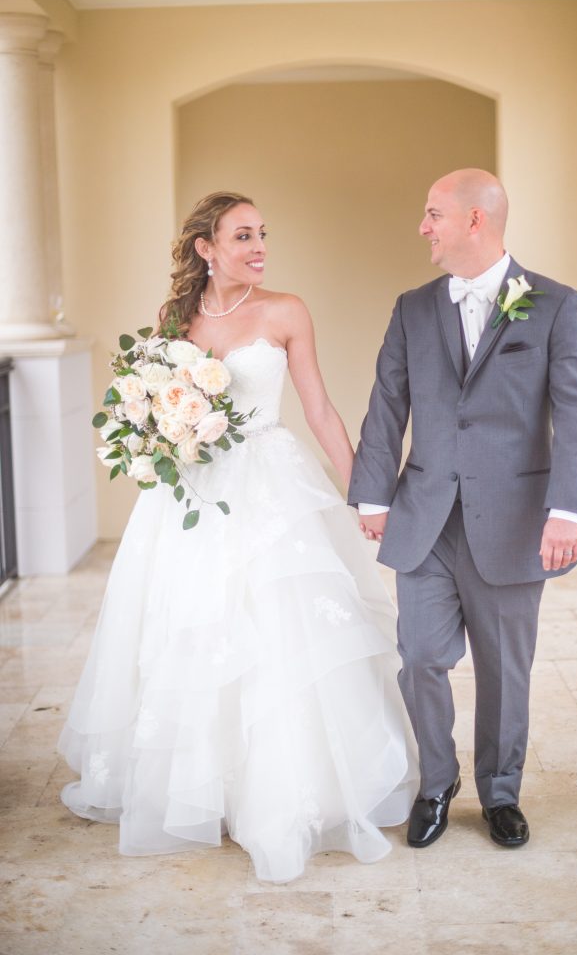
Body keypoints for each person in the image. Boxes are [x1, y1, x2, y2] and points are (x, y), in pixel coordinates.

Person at [59, 191, 418, 884]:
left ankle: (286, 790)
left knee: (280, 630)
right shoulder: (173, 321)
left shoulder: (286, 311)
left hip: (271, 485)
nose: (258, 247)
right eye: (243, 235)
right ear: (206, 248)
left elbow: (317, 408)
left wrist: (365, 495)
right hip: (189, 496)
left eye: (262, 235)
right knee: (189, 630)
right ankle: (204, 788)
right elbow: (156, 410)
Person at [349, 169, 577, 849]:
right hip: (425, 516)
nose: (423, 226)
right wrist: (373, 494)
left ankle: (499, 791)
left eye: (434, 213)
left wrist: (568, 511)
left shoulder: (554, 305)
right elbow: (386, 405)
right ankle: (436, 783)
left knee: (503, 667)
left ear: (474, 222)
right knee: (421, 656)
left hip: (516, 521)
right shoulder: (411, 308)